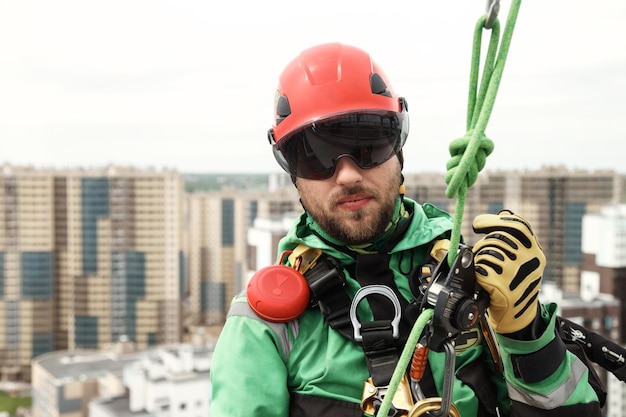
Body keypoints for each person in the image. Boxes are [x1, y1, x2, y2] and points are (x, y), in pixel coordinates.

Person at [209, 43, 603, 417]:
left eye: (368, 147)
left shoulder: (474, 281)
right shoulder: (266, 327)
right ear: (292, 173)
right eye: (315, 156)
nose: (347, 175)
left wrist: (526, 333)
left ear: (398, 147)